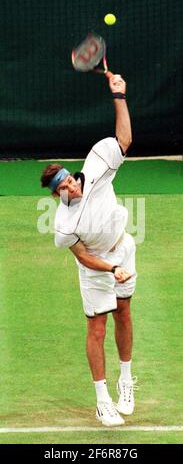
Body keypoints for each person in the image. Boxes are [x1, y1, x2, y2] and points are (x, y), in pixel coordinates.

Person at [40, 74, 137, 427]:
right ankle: (102, 401)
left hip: (122, 247)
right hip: (97, 266)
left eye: (66, 178)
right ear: (56, 195)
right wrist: (110, 270)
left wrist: (119, 95)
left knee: (124, 312)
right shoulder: (64, 225)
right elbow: (82, 257)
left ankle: (126, 381)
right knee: (96, 328)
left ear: (70, 173)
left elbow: (124, 139)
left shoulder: (98, 162)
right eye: (60, 187)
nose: (69, 186)